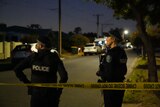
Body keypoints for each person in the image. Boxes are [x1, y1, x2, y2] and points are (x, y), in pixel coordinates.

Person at [14, 36, 68, 107]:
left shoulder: (33, 57)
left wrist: (28, 84)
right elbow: (64, 77)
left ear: (41, 46)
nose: (36, 45)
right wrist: (58, 93)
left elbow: (17, 69)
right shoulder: (54, 58)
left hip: (36, 96)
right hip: (51, 96)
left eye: (37, 43)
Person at [96, 30, 127, 107]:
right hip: (119, 86)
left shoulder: (111, 53)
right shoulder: (121, 51)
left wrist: (99, 73)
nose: (106, 39)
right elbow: (123, 70)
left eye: (108, 37)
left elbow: (109, 73)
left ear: (113, 39)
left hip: (110, 87)